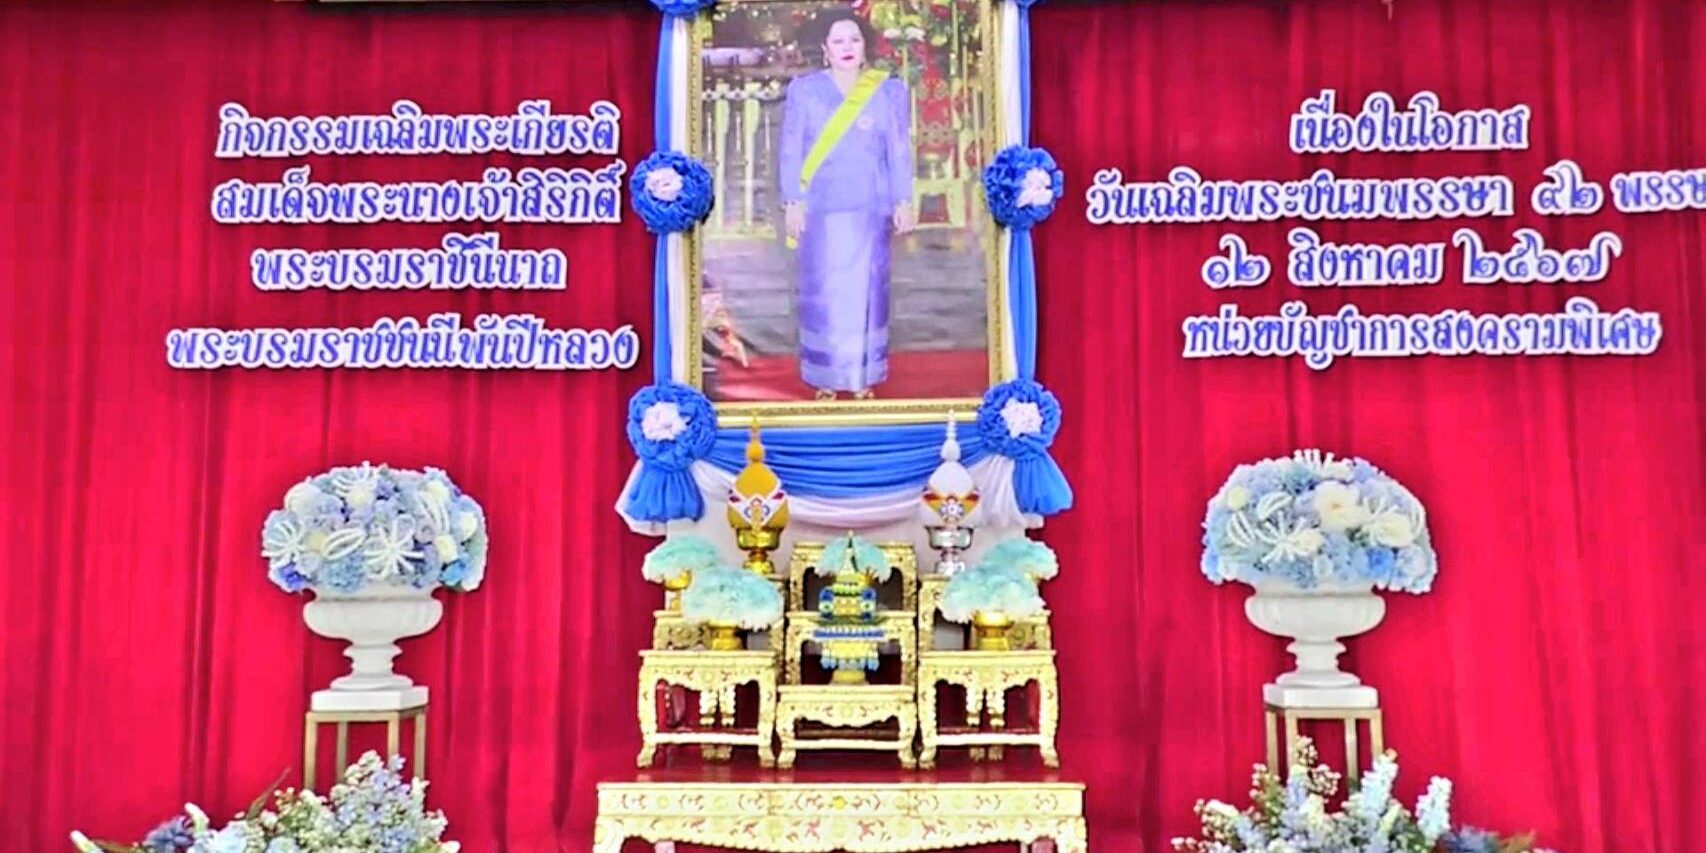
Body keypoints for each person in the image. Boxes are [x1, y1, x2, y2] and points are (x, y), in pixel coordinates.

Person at [778, 9, 914, 401]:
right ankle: (825, 376)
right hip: (821, 208)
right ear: (825, 49)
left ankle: (864, 376)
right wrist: (793, 200)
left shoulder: (888, 91)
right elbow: (791, 149)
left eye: (854, 39)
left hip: (870, 207)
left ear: (865, 45)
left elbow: (898, 150)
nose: (847, 48)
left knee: (867, 293)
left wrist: (903, 199)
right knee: (826, 292)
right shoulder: (805, 91)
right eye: (838, 41)